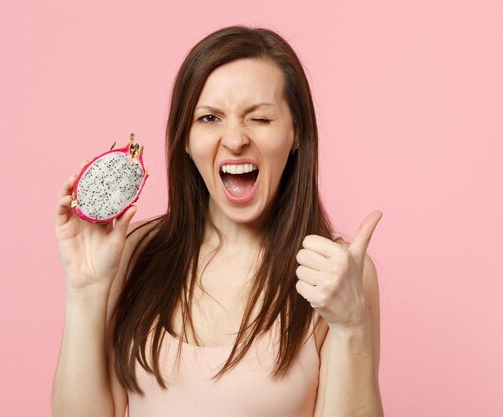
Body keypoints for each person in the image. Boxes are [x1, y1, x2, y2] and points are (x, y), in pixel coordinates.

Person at [52, 25, 385, 417]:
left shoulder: (336, 274)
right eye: (209, 118)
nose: (235, 139)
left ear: (296, 133)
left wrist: (352, 329)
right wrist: (86, 292)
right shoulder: (134, 251)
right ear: (186, 141)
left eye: (259, 119)